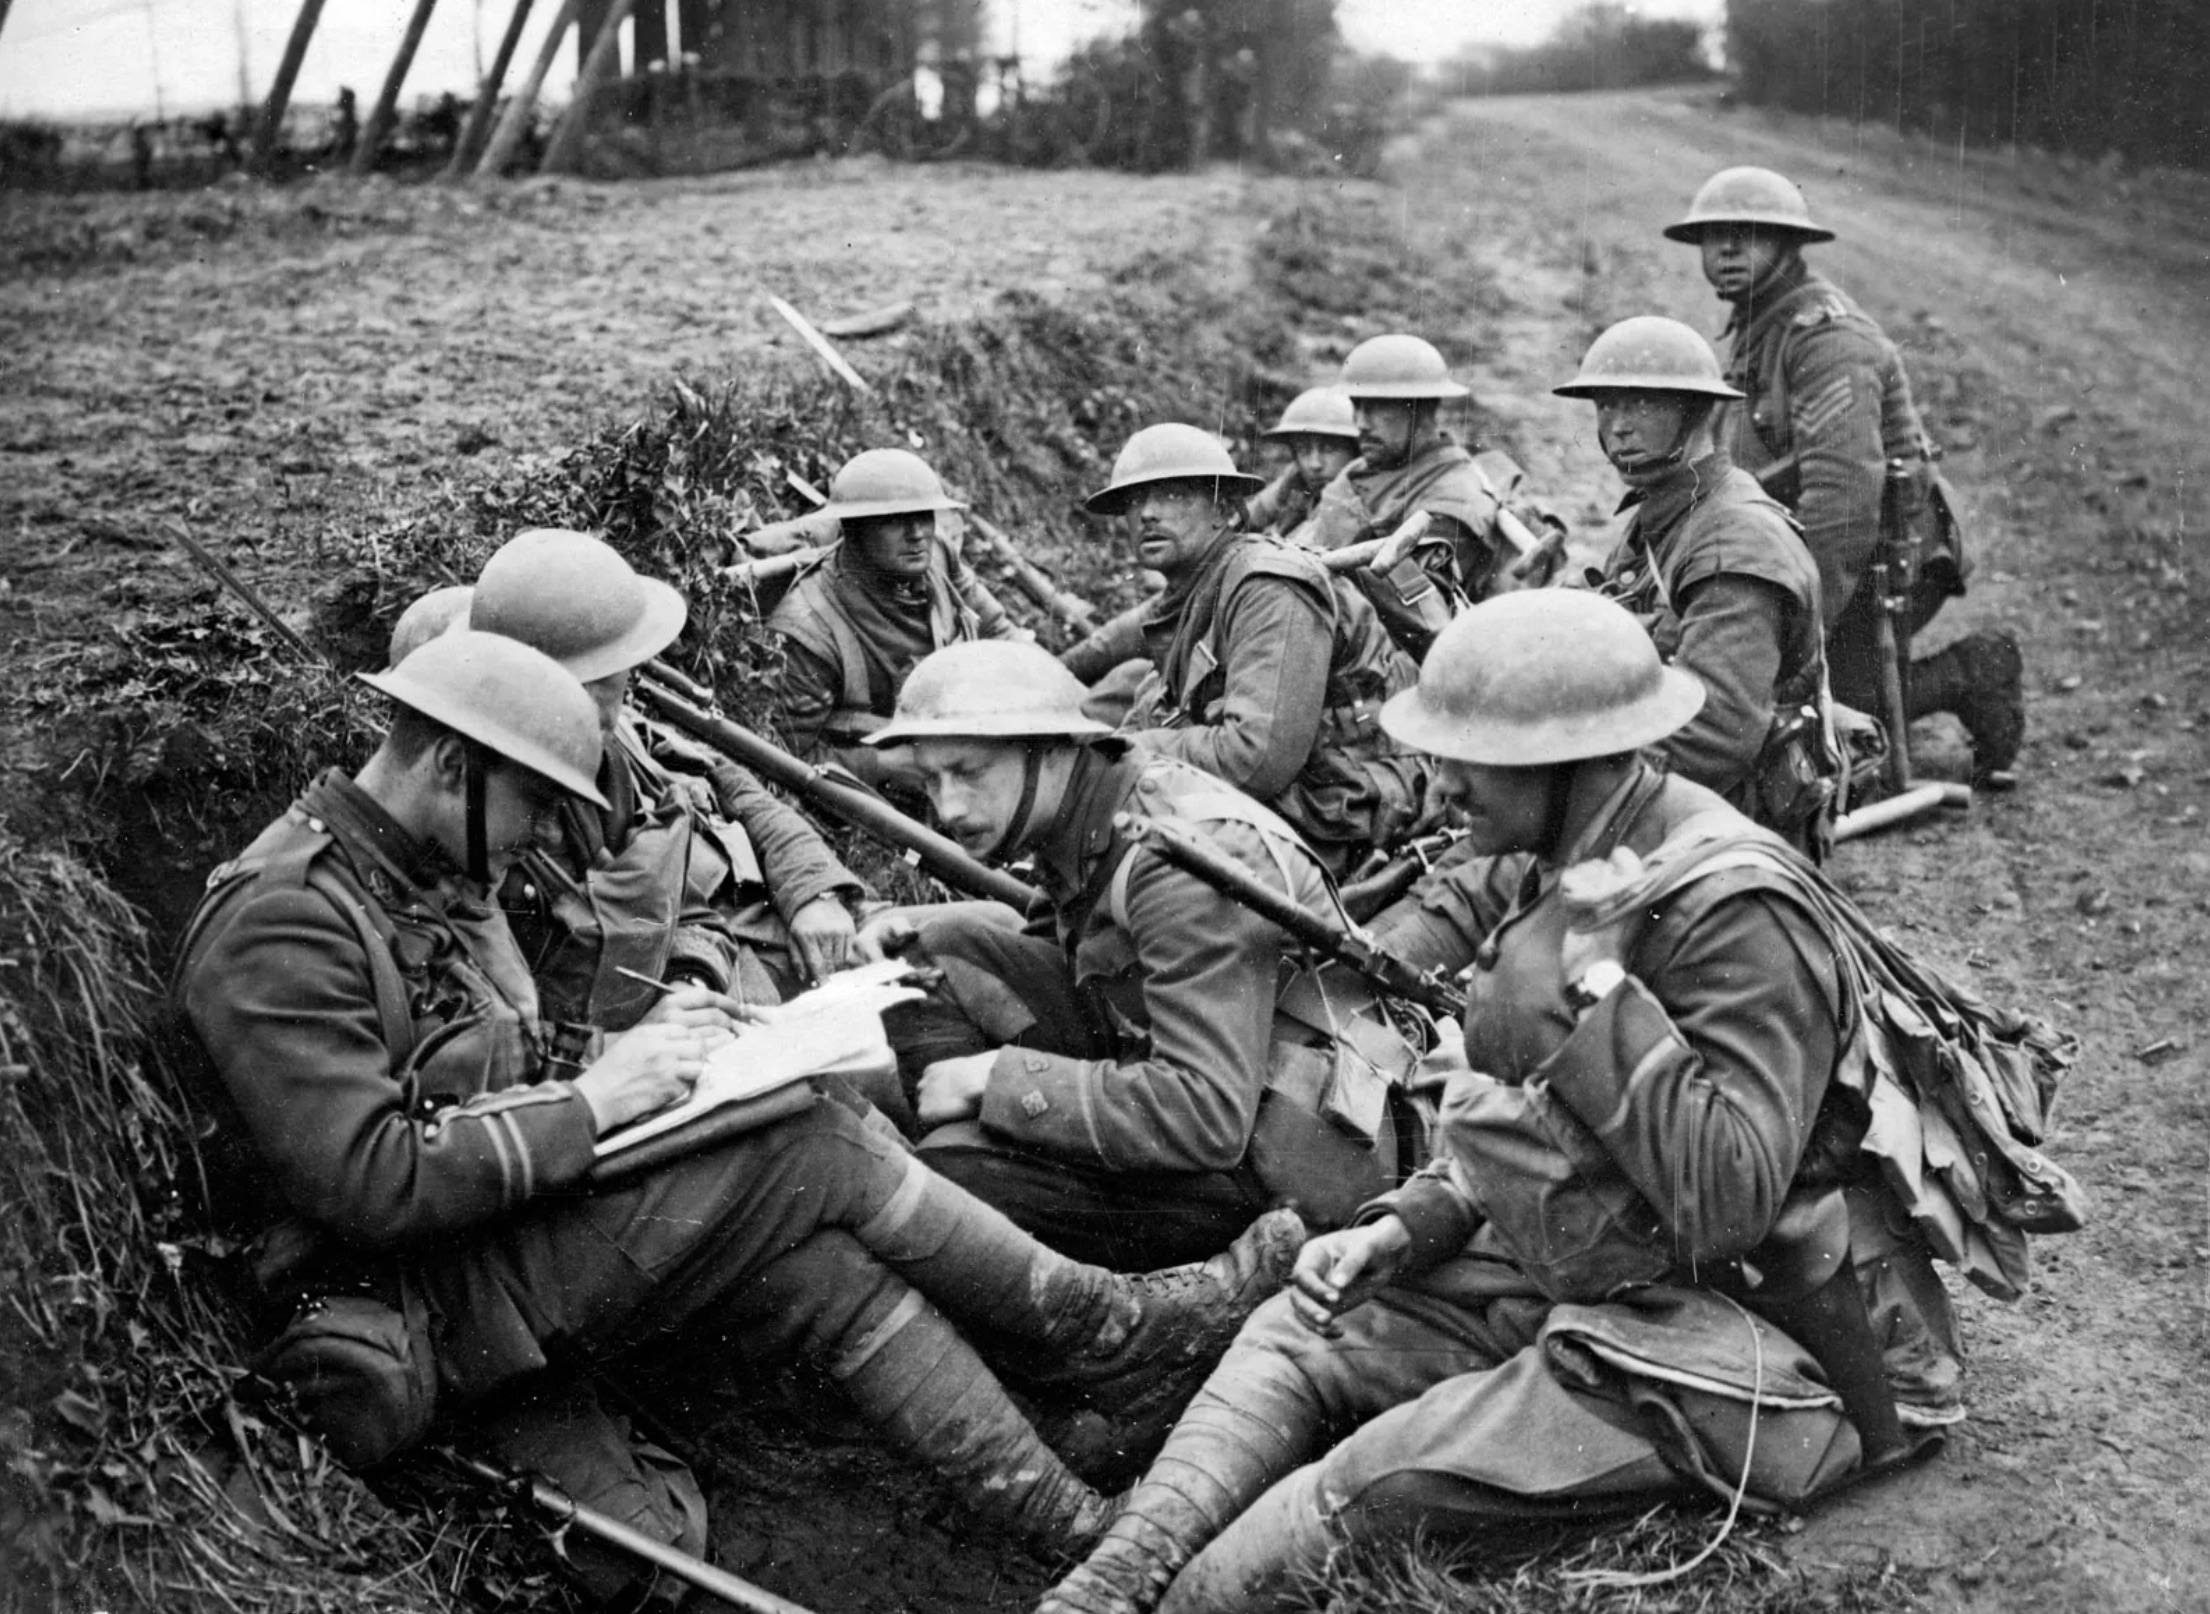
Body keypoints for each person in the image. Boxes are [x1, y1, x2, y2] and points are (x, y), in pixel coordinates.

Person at [174, 628, 1305, 1605]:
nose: (534, 836)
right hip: (412, 1294)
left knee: (819, 1264)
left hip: (487, 1230)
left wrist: (633, 1058)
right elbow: (368, 1183)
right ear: (448, 762)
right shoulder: (282, 919)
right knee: (804, 1140)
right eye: (529, 801)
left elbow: (478, 1065)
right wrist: (590, 1100)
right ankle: (1100, 1323)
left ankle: (1068, 1523)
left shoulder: (415, 873)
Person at [1039, 590, 1982, 1614]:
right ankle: (1105, 1580)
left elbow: (1731, 1202)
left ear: (1566, 761)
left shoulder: (1735, 911)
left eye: (1464, 760)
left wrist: (1596, 1000)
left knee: (1355, 1490)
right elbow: (1549, 1118)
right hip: (1610, 1260)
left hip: (1752, 1332)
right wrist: (1409, 1225)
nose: (1438, 788)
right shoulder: (1567, 855)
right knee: (1297, 1330)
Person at [855, 639, 1427, 1274]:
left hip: (1279, 1161)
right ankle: (973, 1150)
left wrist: (997, 1079)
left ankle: (1149, 1315)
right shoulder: (1088, 805)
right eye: (931, 780)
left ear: (1049, 751)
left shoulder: (1170, 857)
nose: (948, 808)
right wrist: (916, 925)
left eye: (968, 773)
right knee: (923, 956)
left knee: (952, 1186)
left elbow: (1208, 1116)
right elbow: (1069, 951)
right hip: (1187, 1073)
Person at [1665, 165, 2023, 786]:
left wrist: (1810, 630)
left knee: (1834, 714)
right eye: (1713, 236)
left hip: (1887, 559)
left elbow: (1846, 498)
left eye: (1746, 235)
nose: (1724, 250)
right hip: (1820, 551)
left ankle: (1974, 670)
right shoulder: (1762, 324)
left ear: (1787, 245)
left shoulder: (1826, 338)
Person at [466, 529, 865, 1031]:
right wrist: (694, 979)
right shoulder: (530, 804)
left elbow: (744, 794)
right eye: (613, 674)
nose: (626, 687)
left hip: (781, 917)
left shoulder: (631, 737)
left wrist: (813, 891)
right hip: (730, 963)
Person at [1557, 315, 1838, 856]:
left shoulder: (1734, 544)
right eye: (1606, 405)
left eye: (1641, 404)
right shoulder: (1670, 510)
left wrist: (1566, 780)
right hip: (1671, 792)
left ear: (1697, 411)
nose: (1618, 426)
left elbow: (1715, 735)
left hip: (1731, 832)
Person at [1096, 422, 1425, 874]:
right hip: (1304, 800)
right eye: (1135, 500)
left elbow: (1255, 758)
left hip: (1343, 805)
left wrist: (1127, 753)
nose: (1148, 514)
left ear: (1228, 512)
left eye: (1173, 496)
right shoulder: (1196, 594)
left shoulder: (1267, 586)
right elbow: (1159, 714)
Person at [767, 447, 1026, 795]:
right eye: (894, 519)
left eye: (924, 515)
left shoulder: (935, 555)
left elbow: (997, 628)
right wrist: (885, 765)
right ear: (852, 528)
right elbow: (788, 756)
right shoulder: (810, 630)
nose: (917, 533)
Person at [1298, 333, 1566, 634]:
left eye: (1376, 407)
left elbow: (1420, 610)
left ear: (1420, 409)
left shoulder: (1456, 494)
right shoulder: (1362, 468)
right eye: (1357, 406)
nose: (1360, 422)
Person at [1242, 387, 1359, 538]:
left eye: (1329, 449)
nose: (1315, 464)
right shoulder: (1295, 480)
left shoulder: (1365, 494)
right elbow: (1248, 518)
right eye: (1304, 450)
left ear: (1355, 450)